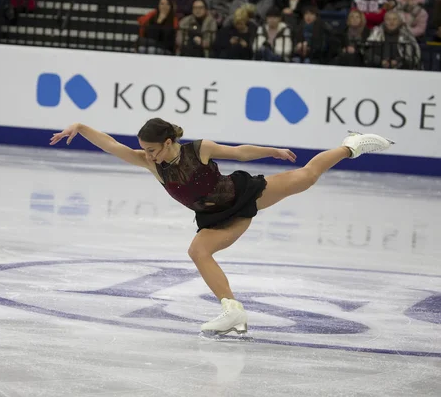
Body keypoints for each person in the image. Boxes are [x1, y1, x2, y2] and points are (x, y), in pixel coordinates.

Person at [49, 118, 393, 335]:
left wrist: (270, 150)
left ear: (168, 142)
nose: (148, 155)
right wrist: (79, 127)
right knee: (197, 250)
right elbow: (112, 145)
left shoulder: (198, 149)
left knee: (307, 176)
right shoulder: (149, 163)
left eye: (152, 149)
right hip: (216, 218)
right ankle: (233, 310)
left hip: (243, 195)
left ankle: (352, 145)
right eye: (145, 151)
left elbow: (240, 153)